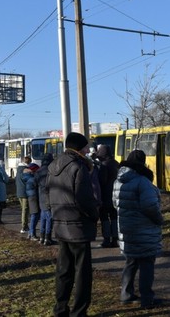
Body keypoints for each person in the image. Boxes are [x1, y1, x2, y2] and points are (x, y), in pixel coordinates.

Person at [46, 132, 100, 317]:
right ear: (79, 148)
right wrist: (94, 215)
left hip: (60, 224)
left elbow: (48, 194)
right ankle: (79, 311)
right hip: (78, 226)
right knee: (83, 273)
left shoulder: (53, 165)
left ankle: (60, 308)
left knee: (63, 270)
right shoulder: (79, 166)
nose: (87, 150)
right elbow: (84, 199)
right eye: (85, 147)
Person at [112, 149, 164, 309]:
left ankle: (126, 294)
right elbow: (150, 206)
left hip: (126, 229)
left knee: (131, 262)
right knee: (147, 264)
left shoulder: (118, 181)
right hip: (144, 230)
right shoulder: (143, 181)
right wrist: (159, 219)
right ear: (143, 163)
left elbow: (115, 204)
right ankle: (147, 299)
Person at [96, 144, 120, 248]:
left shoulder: (104, 165)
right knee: (114, 217)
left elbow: (102, 181)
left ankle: (106, 239)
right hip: (115, 194)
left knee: (104, 218)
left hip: (105, 195)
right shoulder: (116, 163)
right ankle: (115, 239)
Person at [35, 153, 54, 246]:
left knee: (43, 217)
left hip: (41, 196)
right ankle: (48, 238)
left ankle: (41, 237)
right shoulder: (51, 171)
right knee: (49, 218)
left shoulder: (38, 171)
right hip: (49, 196)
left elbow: (35, 183)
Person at [23, 162, 40, 241]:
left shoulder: (27, 177)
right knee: (35, 215)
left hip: (31, 197)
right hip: (33, 197)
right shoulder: (32, 179)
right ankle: (32, 234)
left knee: (34, 215)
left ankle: (30, 233)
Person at [16, 156, 32, 233]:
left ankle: (25, 226)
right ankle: (24, 226)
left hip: (19, 191)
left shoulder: (18, 169)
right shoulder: (26, 170)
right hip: (25, 192)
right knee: (25, 210)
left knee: (23, 209)